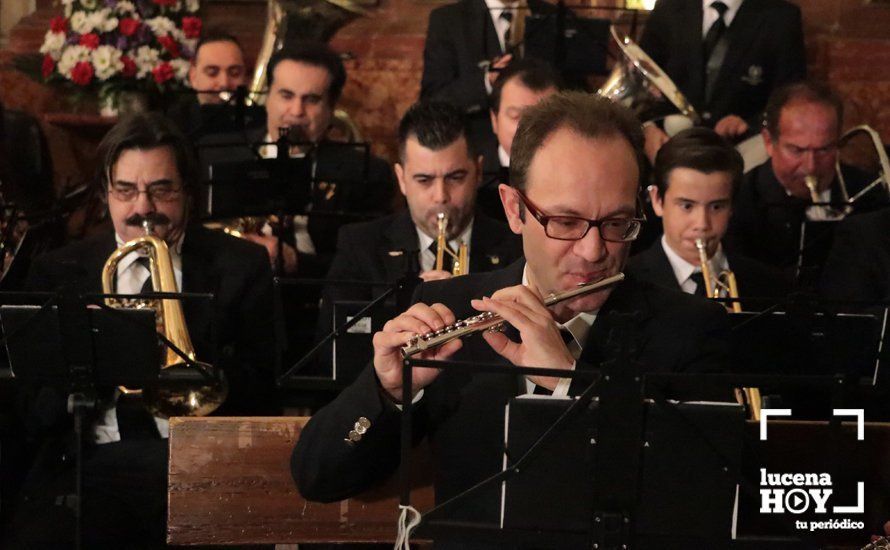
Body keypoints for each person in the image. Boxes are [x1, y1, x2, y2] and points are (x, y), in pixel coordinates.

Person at [292, 93, 731, 530]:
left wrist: (571, 386)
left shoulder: (691, 331)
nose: (595, 250)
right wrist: (387, 391)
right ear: (514, 209)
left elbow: (698, 506)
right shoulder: (455, 309)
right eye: (565, 222)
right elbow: (318, 478)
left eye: (617, 223)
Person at [8, 112, 278, 547]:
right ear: (105, 195)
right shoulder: (58, 271)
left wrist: (199, 370)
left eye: (161, 189)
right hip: (90, 460)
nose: (143, 208)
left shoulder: (240, 265)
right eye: (126, 190)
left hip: (200, 461)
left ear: (188, 193)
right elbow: (32, 408)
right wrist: (92, 357)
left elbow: (264, 388)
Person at [311, 101, 522, 384]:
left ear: (479, 171)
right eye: (424, 180)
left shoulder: (515, 247)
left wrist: (464, 299)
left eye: (455, 177)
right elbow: (334, 357)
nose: (440, 197)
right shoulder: (360, 246)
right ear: (401, 179)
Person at [198, 42, 396, 277]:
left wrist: (298, 263)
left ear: (331, 107)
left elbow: (372, 266)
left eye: (311, 99)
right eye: (286, 95)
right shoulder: (213, 153)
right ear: (267, 96)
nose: (296, 111)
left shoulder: (367, 172)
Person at [724, 81, 886, 285]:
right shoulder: (739, 201)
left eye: (824, 150)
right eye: (797, 151)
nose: (811, 166)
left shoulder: (871, 195)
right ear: (768, 142)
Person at [628, 127, 789, 305]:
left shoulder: (769, 286)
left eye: (716, 206)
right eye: (687, 206)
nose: (702, 224)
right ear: (657, 201)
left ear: (732, 207)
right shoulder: (626, 285)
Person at [638, 0, 806, 160]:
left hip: (739, 152)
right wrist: (648, 129)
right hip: (670, 146)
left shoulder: (781, 17)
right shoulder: (667, 8)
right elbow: (641, 80)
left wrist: (749, 124)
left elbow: (790, 97)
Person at [420, 0, 555, 155]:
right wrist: (486, 81)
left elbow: (576, 88)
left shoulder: (553, 16)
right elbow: (432, 103)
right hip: (479, 156)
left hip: (547, 151)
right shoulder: (448, 20)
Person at [478, 59, 559, 219]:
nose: (530, 128)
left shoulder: (575, 172)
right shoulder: (475, 178)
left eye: (544, 118)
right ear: (494, 120)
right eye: (517, 117)